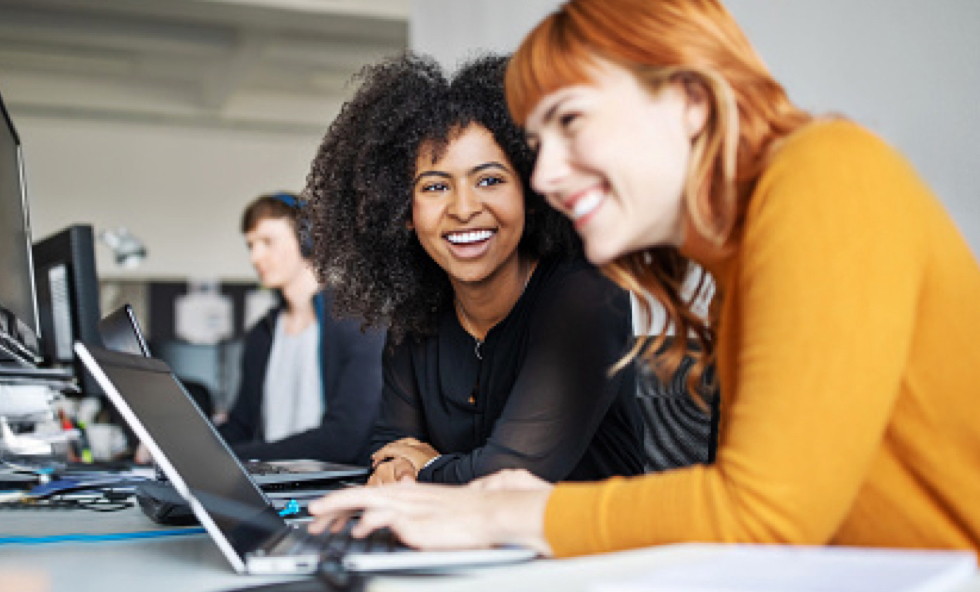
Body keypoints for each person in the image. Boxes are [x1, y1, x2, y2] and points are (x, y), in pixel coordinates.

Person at [309, 0, 980, 555]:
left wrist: (500, 513)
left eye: (572, 122)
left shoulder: (825, 176)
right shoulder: (747, 253)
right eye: (540, 147)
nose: (544, 178)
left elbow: (766, 513)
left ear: (689, 99)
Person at [303, 53, 647, 486]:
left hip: (590, 549)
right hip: (464, 547)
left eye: (489, 180)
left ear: (531, 191)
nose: (464, 209)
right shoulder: (415, 317)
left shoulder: (588, 297)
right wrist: (402, 468)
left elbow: (512, 477)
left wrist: (425, 467)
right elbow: (389, 452)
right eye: (435, 187)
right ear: (403, 211)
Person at [216, 192, 385, 465]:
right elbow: (240, 426)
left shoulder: (360, 325)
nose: (255, 257)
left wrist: (236, 458)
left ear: (308, 241)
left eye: (267, 242)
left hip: (332, 489)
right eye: (251, 245)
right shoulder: (262, 332)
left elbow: (344, 438)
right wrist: (186, 451)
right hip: (266, 485)